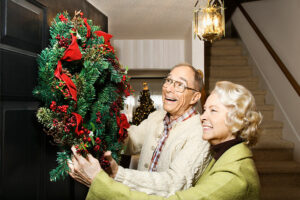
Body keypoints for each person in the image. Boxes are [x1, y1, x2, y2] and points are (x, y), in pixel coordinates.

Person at [69, 80, 262, 200]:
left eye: (214, 110)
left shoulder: (234, 175)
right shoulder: (221, 155)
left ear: (236, 119)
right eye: (206, 110)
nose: (203, 117)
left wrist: (100, 182)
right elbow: (132, 138)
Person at [69, 63, 210, 197]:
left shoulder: (200, 133)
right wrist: (105, 123)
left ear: (195, 97)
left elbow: (174, 183)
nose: (168, 89)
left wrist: (118, 174)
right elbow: (131, 141)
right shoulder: (157, 117)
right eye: (168, 80)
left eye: (179, 85)